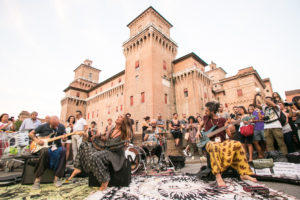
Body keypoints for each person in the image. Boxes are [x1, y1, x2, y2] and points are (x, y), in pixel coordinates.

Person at [67, 115, 131, 191]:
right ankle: (78, 168)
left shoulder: (124, 133)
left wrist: (125, 143)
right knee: (84, 145)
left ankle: (105, 179)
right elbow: (106, 139)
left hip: (115, 155)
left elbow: (126, 142)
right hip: (106, 150)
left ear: (124, 121)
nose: (118, 116)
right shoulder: (112, 129)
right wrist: (98, 136)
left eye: (121, 117)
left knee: (95, 156)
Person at [205, 123, 257, 187]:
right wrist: (198, 132)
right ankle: (218, 175)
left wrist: (230, 131)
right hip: (211, 143)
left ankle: (243, 173)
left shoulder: (223, 120)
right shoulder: (206, 119)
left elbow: (231, 136)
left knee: (238, 144)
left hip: (223, 143)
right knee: (213, 146)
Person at [29, 116, 67, 189]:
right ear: (49, 123)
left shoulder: (61, 127)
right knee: (45, 152)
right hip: (44, 147)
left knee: (63, 150)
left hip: (56, 146)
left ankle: (57, 177)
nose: (56, 127)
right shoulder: (43, 126)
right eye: (54, 126)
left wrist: (64, 138)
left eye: (57, 125)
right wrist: (37, 140)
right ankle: (37, 179)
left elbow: (64, 139)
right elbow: (31, 133)